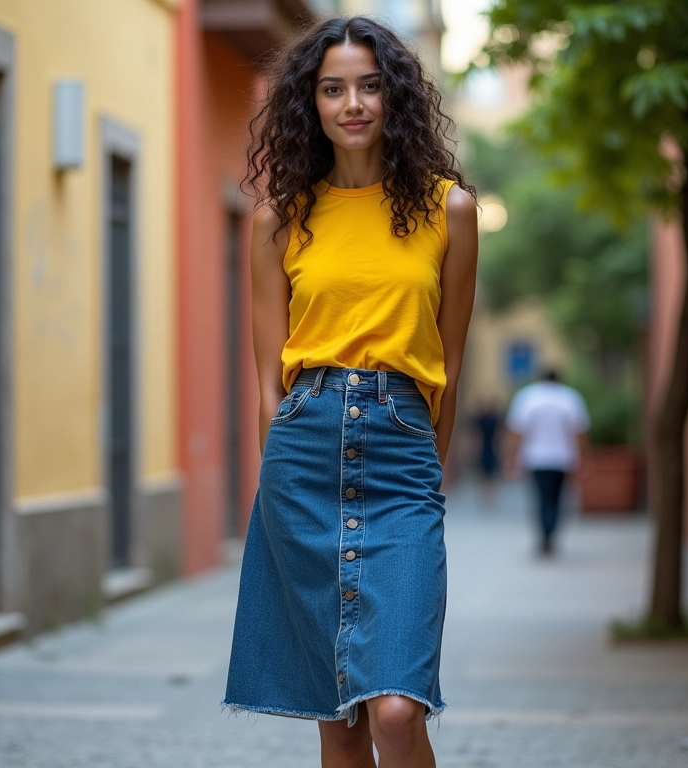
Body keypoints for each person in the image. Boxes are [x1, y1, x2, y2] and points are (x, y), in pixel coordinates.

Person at [222, 16, 478, 768]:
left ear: (396, 97)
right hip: (303, 458)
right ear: (312, 103)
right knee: (338, 718)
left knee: (395, 709)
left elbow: (451, 365)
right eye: (333, 89)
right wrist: (274, 479)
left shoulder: (449, 211)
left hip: (403, 463)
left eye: (370, 85)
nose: (353, 103)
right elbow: (269, 381)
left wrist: (431, 474)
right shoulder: (279, 222)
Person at [504, 369, 590, 555]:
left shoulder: (528, 397)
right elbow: (579, 432)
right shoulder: (569, 398)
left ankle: (545, 536)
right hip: (562, 458)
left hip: (536, 458)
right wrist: (583, 460)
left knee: (541, 498)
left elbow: (518, 431)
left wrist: (511, 457)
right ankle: (550, 535)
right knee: (556, 499)